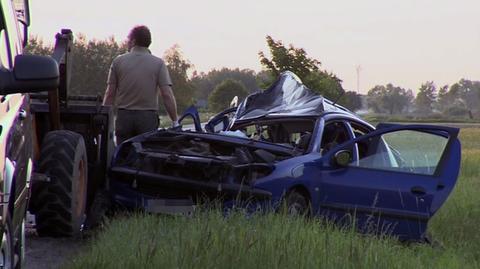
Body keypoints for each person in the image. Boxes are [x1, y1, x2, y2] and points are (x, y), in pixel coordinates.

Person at [103, 25, 179, 144]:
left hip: (124, 117)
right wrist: (175, 121)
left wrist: (104, 118)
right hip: (147, 119)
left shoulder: (118, 61)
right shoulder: (158, 64)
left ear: (133, 41)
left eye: (128, 40)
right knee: (146, 155)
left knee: (123, 154)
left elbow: (110, 94)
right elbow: (167, 95)